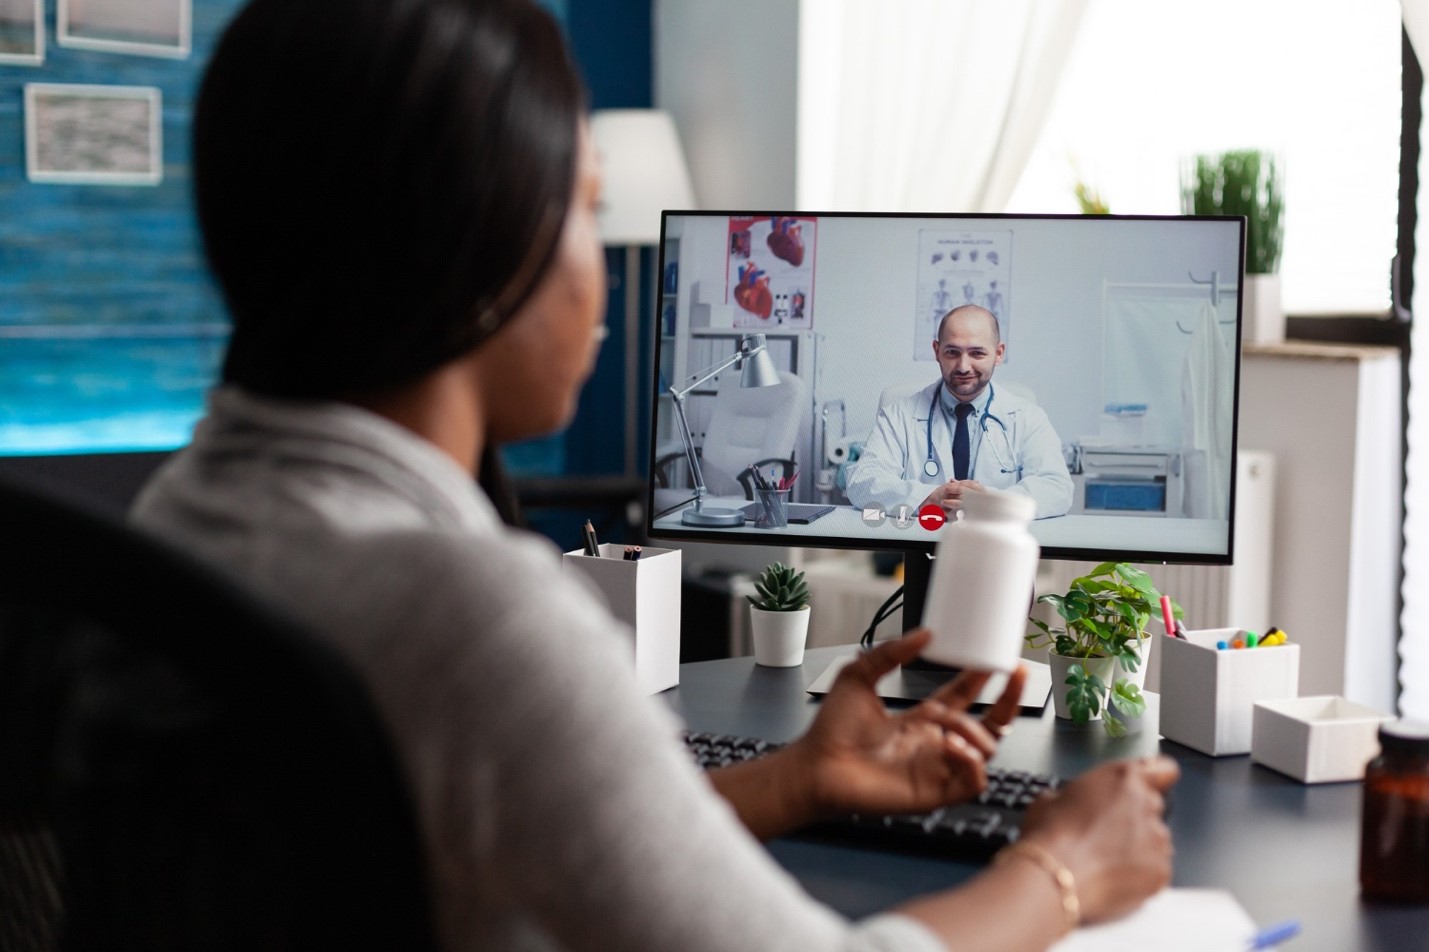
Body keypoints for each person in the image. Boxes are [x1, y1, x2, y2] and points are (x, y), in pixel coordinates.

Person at [130, 1, 1177, 950]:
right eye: (586, 209)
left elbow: (508, 836)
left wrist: (798, 778)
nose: (604, 278)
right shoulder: (472, 617)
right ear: (481, 245)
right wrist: (1064, 870)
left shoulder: (179, 515)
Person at [846, 305, 1074, 520]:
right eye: (952, 352)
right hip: (919, 543)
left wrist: (991, 502)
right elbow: (863, 482)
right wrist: (928, 498)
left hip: (996, 545)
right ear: (937, 351)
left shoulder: (1028, 417)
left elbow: (1057, 488)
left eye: (977, 353)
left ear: (998, 353)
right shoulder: (898, 415)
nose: (964, 366)